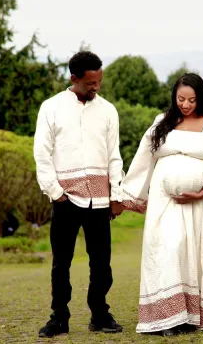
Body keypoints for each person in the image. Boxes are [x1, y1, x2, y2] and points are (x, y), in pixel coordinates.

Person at [121, 73, 203, 336]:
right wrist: (127, 195)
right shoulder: (161, 122)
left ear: (201, 99)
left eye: (192, 100)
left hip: (202, 205)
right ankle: (169, 317)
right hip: (167, 203)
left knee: (196, 255)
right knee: (169, 248)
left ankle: (191, 317)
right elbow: (143, 159)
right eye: (181, 99)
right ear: (174, 97)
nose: (186, 105)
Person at [34, 51, 124, 338]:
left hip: (99, 200)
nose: (96, 87)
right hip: (65, 199)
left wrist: (116, 194)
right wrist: (55, 192)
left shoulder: (108, 110)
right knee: (61, 263)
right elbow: (42, 153)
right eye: (90, 83)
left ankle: (100, 315)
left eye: (99, 80)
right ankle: (59, 318)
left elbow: (114, 156)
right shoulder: (51, 108)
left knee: (102, 263)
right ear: (74, 78)